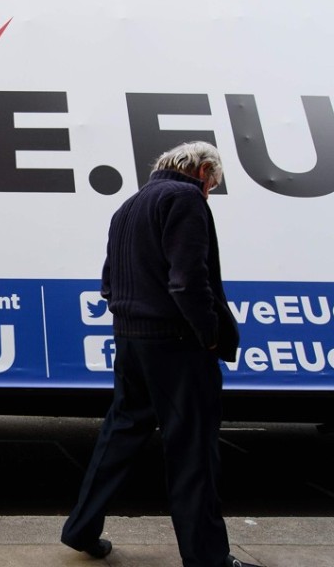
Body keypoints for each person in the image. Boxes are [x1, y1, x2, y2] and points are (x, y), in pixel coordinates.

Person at [61, 141, 257, 567]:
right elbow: (188, 280)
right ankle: (208, 559)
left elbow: (108, 280)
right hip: (177, 344)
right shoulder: (185, 198)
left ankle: (81, 529)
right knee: (193, 450)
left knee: (120, 433)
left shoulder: (128, 206)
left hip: (130, 338)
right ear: (203, 171)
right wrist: (209, 335)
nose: (209, 193)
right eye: (212, 185)